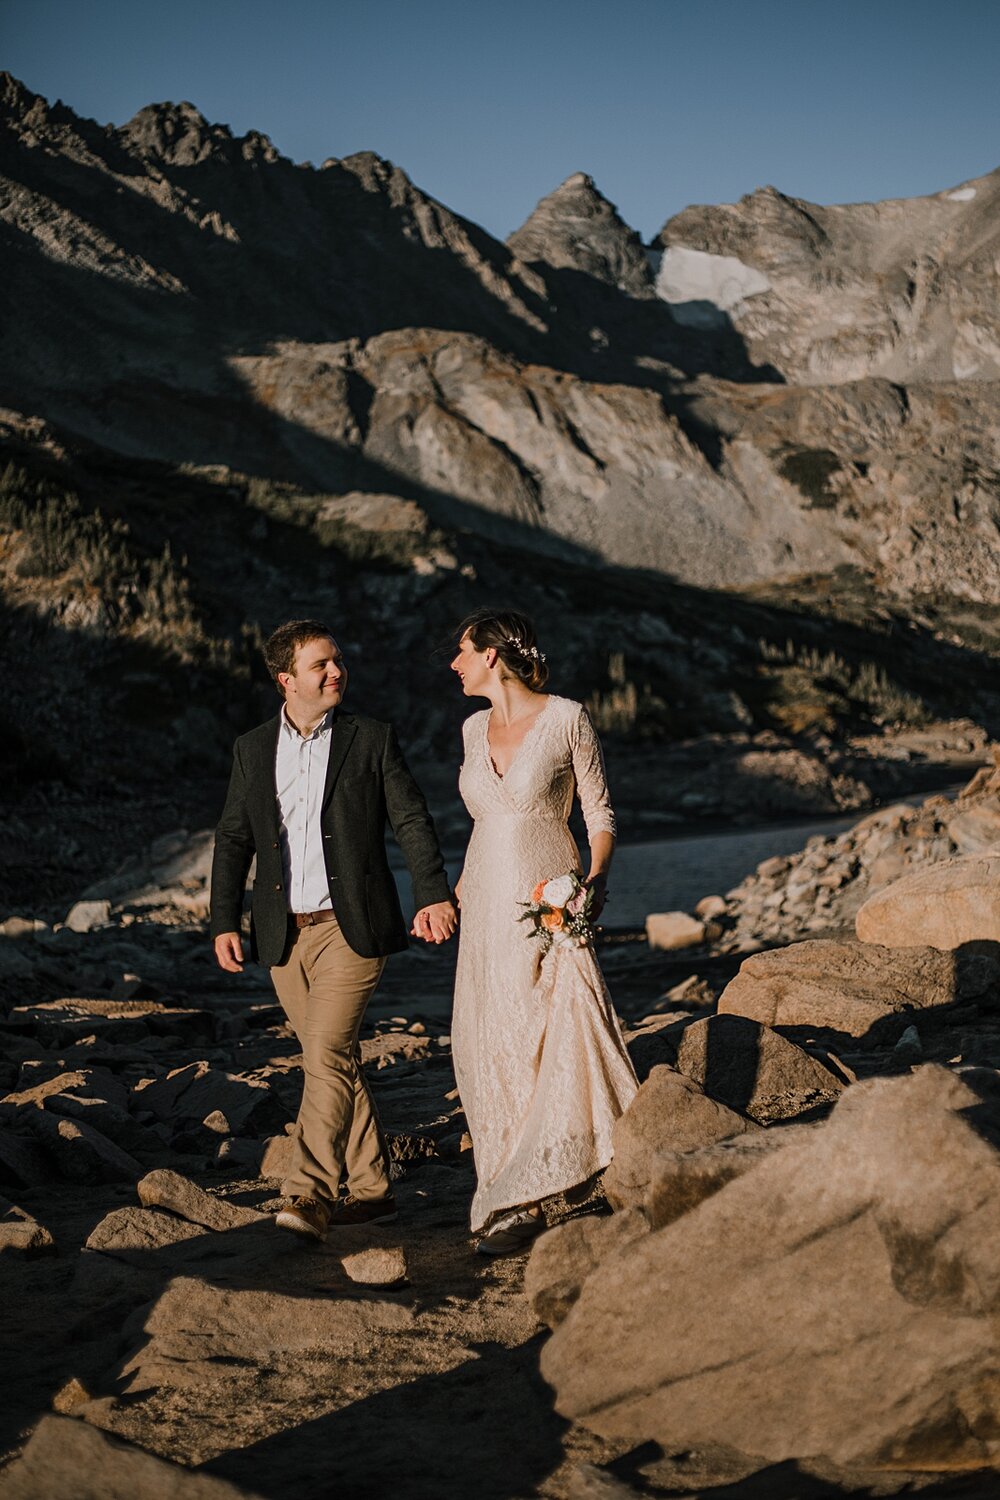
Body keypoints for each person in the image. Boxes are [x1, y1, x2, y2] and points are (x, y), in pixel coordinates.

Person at [210, 619, 456, 1242]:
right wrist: (222, 921)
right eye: (321, 665)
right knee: (335, 1059)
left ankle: (308, 1194)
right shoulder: (252, 747)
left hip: (352, 929)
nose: (336, 672)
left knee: (321, 1058)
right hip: (281, 936)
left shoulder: (370, 739)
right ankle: (374, 1192)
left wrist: (432, 894)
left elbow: (411, 819)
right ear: (286, 679)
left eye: (338, 660)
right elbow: (234, 837)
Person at [449, 608, 638, 1255]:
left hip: (544, 891)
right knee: (480, 1040)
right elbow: (483, 823)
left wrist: (597, 879)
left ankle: (533, 1186)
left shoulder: (566, 719)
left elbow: (599, 812)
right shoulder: (474, 728)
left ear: (492, 657)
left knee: (539, 1028)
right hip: (483, 902)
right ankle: (502, 1186)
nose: (455, 664)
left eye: (463, 652)